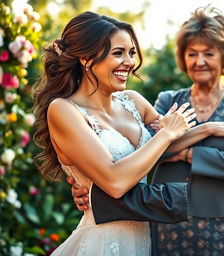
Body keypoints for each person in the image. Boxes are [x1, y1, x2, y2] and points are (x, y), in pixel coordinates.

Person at [70, 6, 224, 256]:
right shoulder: (168, 101)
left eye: (209, 53)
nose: (199, 61)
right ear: (183, 57)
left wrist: (182, 153)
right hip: (167, 220)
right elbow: (145, 151)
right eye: (192, 54)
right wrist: (207, 146)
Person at [33, 10, 202, 256]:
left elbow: (168, 145)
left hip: (141, 239)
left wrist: (209, 128)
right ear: (86, 58)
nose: (130, 62)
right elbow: (115, 182)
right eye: (118, 53)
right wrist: (167, 133)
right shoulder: (63, 110)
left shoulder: (133, 100)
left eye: (131, 53)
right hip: (101, 242)